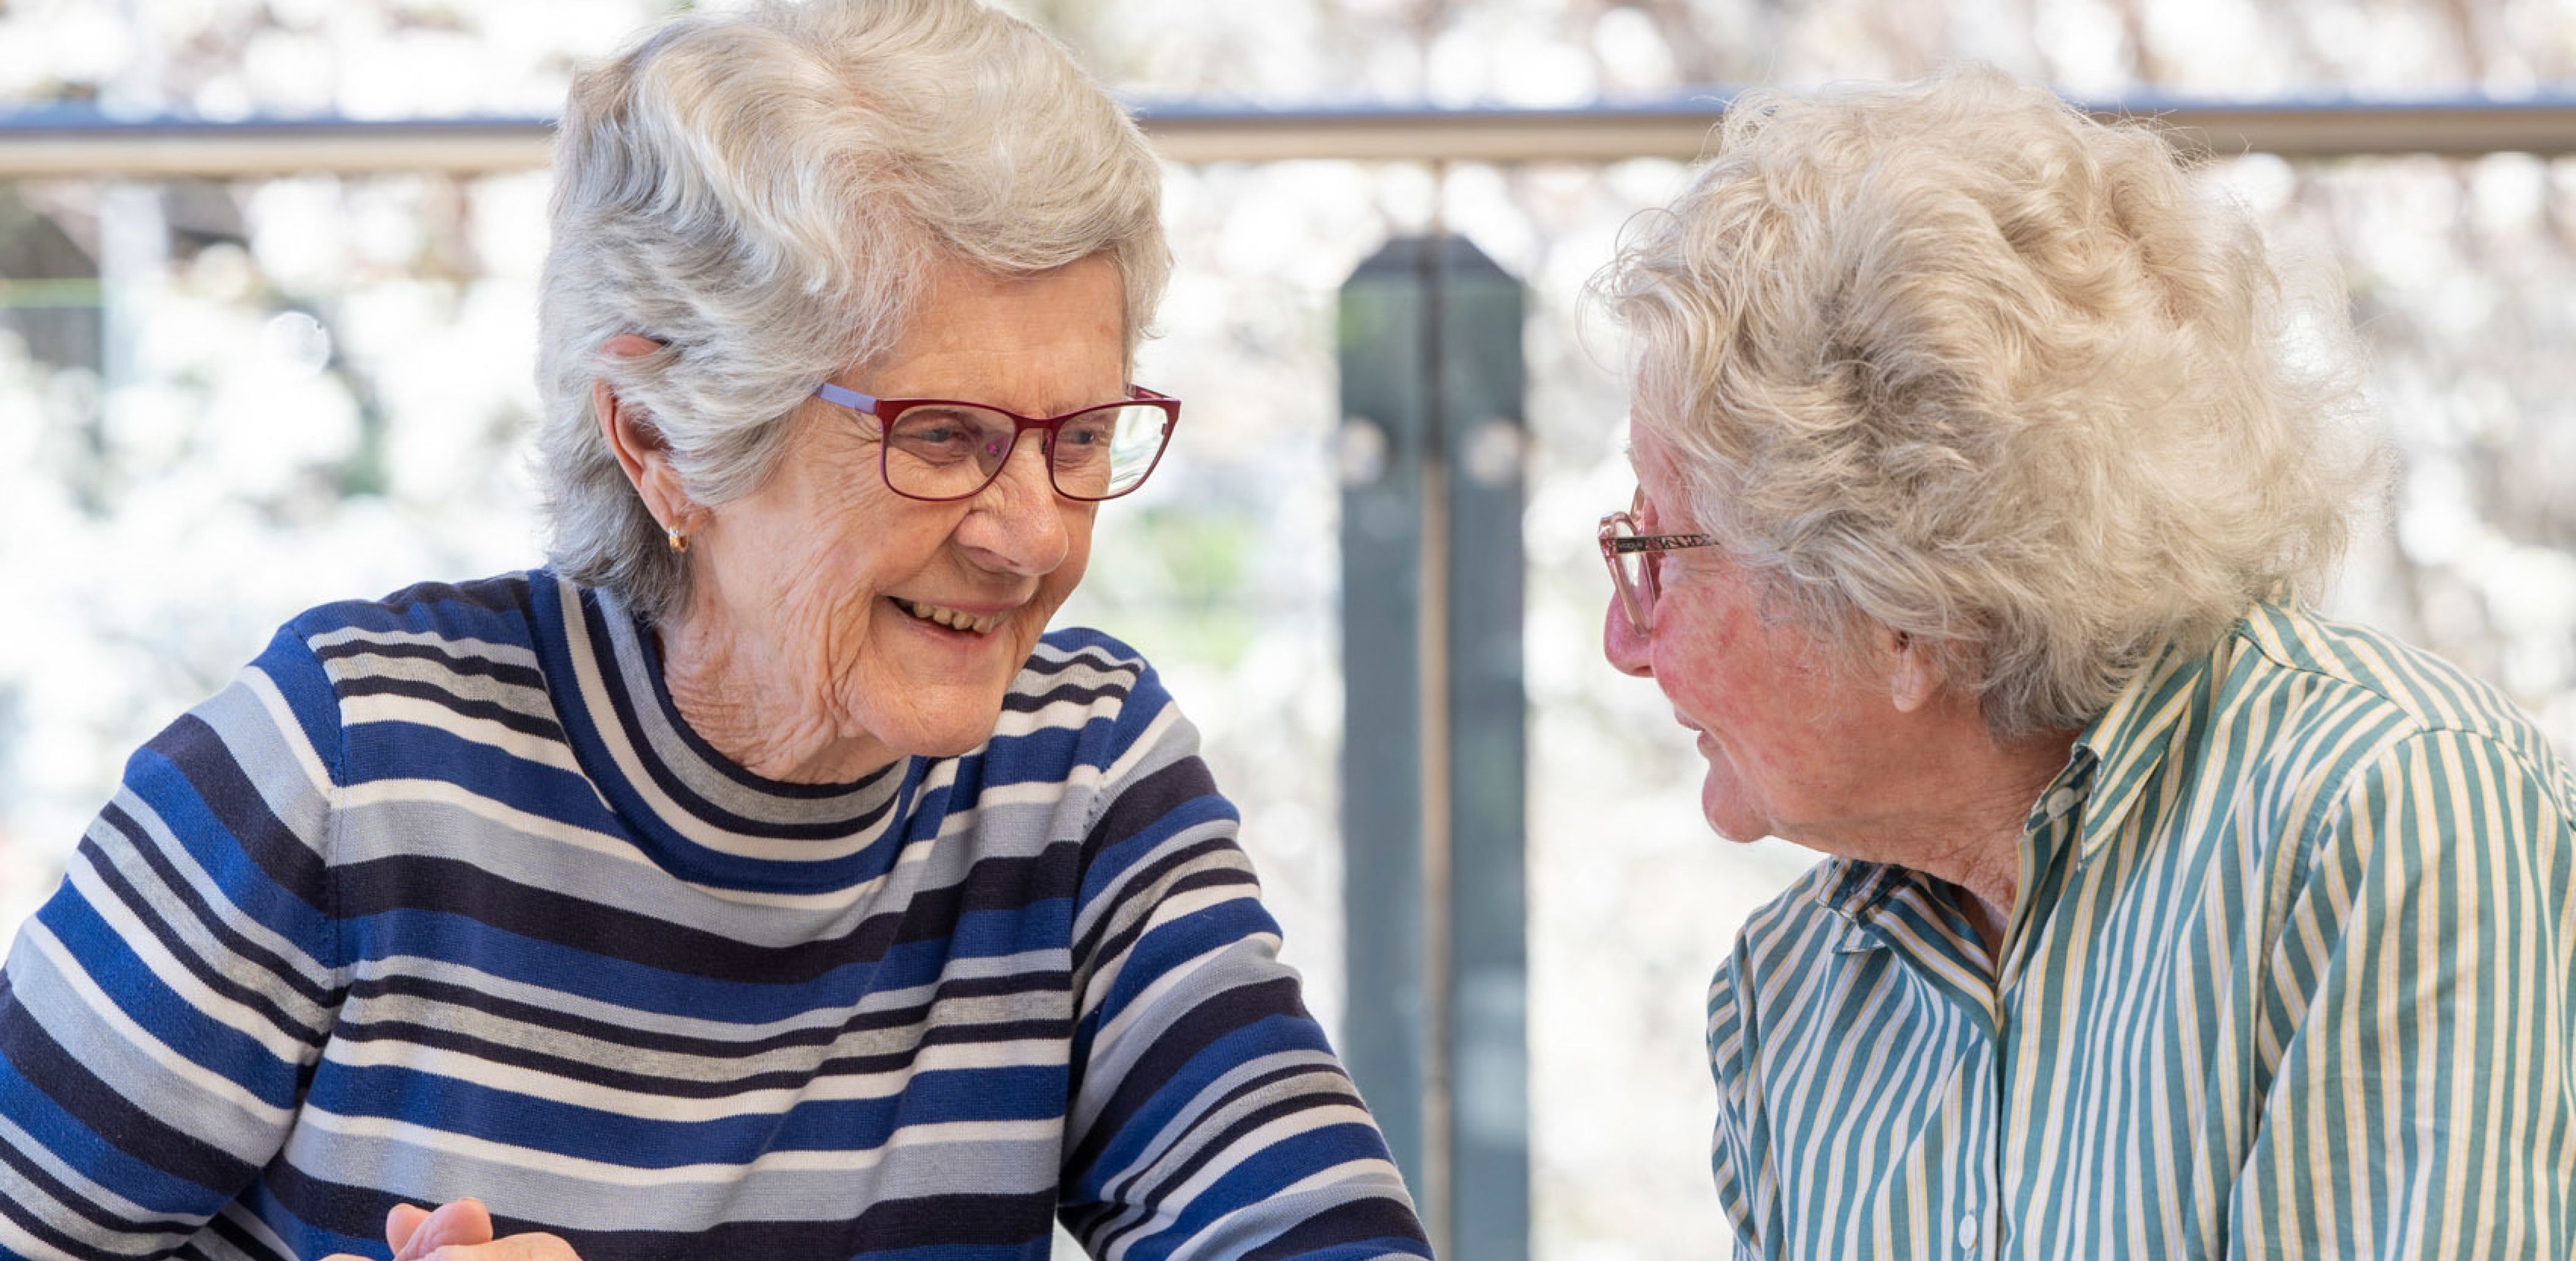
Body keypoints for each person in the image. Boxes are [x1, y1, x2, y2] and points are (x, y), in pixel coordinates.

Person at [0, 2, 1431, 1259]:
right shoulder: (347, 768)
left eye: (1084, 435)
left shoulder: (1081, 773)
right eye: (941, 436)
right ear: (664, 439)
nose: (1037, 534)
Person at [1592, 68, 2574, 1259]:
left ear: (1904, 605)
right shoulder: (1791, 992)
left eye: (1659, 552)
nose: (1625, 641)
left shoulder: (2385, 813)